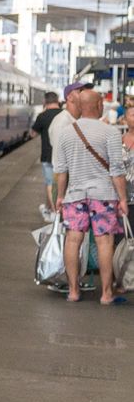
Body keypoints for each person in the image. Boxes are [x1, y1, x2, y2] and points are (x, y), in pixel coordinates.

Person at [54, 87, 129, 304]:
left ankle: (73, 291)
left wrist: (60, 196)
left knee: (73, 240)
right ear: (98, 106)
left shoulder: (66, 132)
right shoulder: (110, 133)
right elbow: (116, 170)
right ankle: (106, 294)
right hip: (104, 195)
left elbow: (61, 170)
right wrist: (123, 199)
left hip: (74, 194)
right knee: (105, 243)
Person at [31, 91, 61, 220]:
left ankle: (54, 212)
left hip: (47, 155)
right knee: (59, 183)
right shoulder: (64, 115)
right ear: (57, 100)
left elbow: (33, 134)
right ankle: (49, 209)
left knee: (50, 183)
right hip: (62, 156)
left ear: (45, 101)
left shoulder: (42, 116)